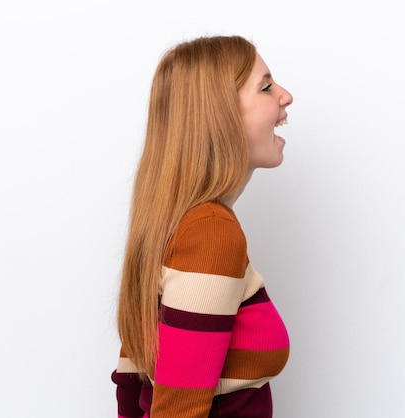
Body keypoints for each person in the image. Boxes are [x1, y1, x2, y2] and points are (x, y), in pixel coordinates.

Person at [111, 35, 294, 418]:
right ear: (220, 114)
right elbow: (178, 410)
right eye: (265, 87)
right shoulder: (210, 232)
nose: (285, 96)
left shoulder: (169, 225)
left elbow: (132, 384)